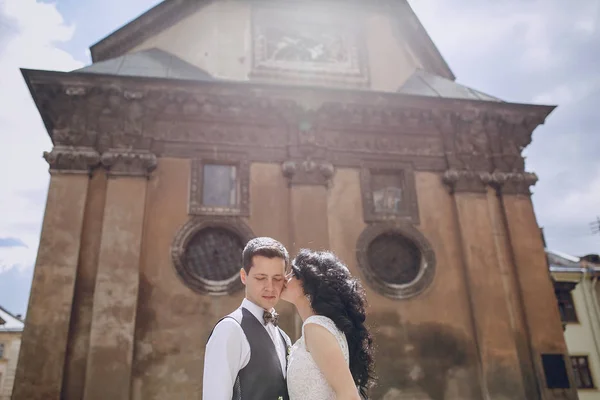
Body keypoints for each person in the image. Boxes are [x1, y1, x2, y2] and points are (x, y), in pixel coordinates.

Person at [203, 237, 292, 400]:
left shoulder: (284, 338)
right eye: (261, 278)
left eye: (277, 279)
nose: (270, 287)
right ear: (244, 276)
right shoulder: (230, 330)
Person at [281, 249, 375, 400]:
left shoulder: (316, 327)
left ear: (310, 285)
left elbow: (349, 396)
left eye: (293, 274)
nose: (285, 278)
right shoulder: (321, 327)